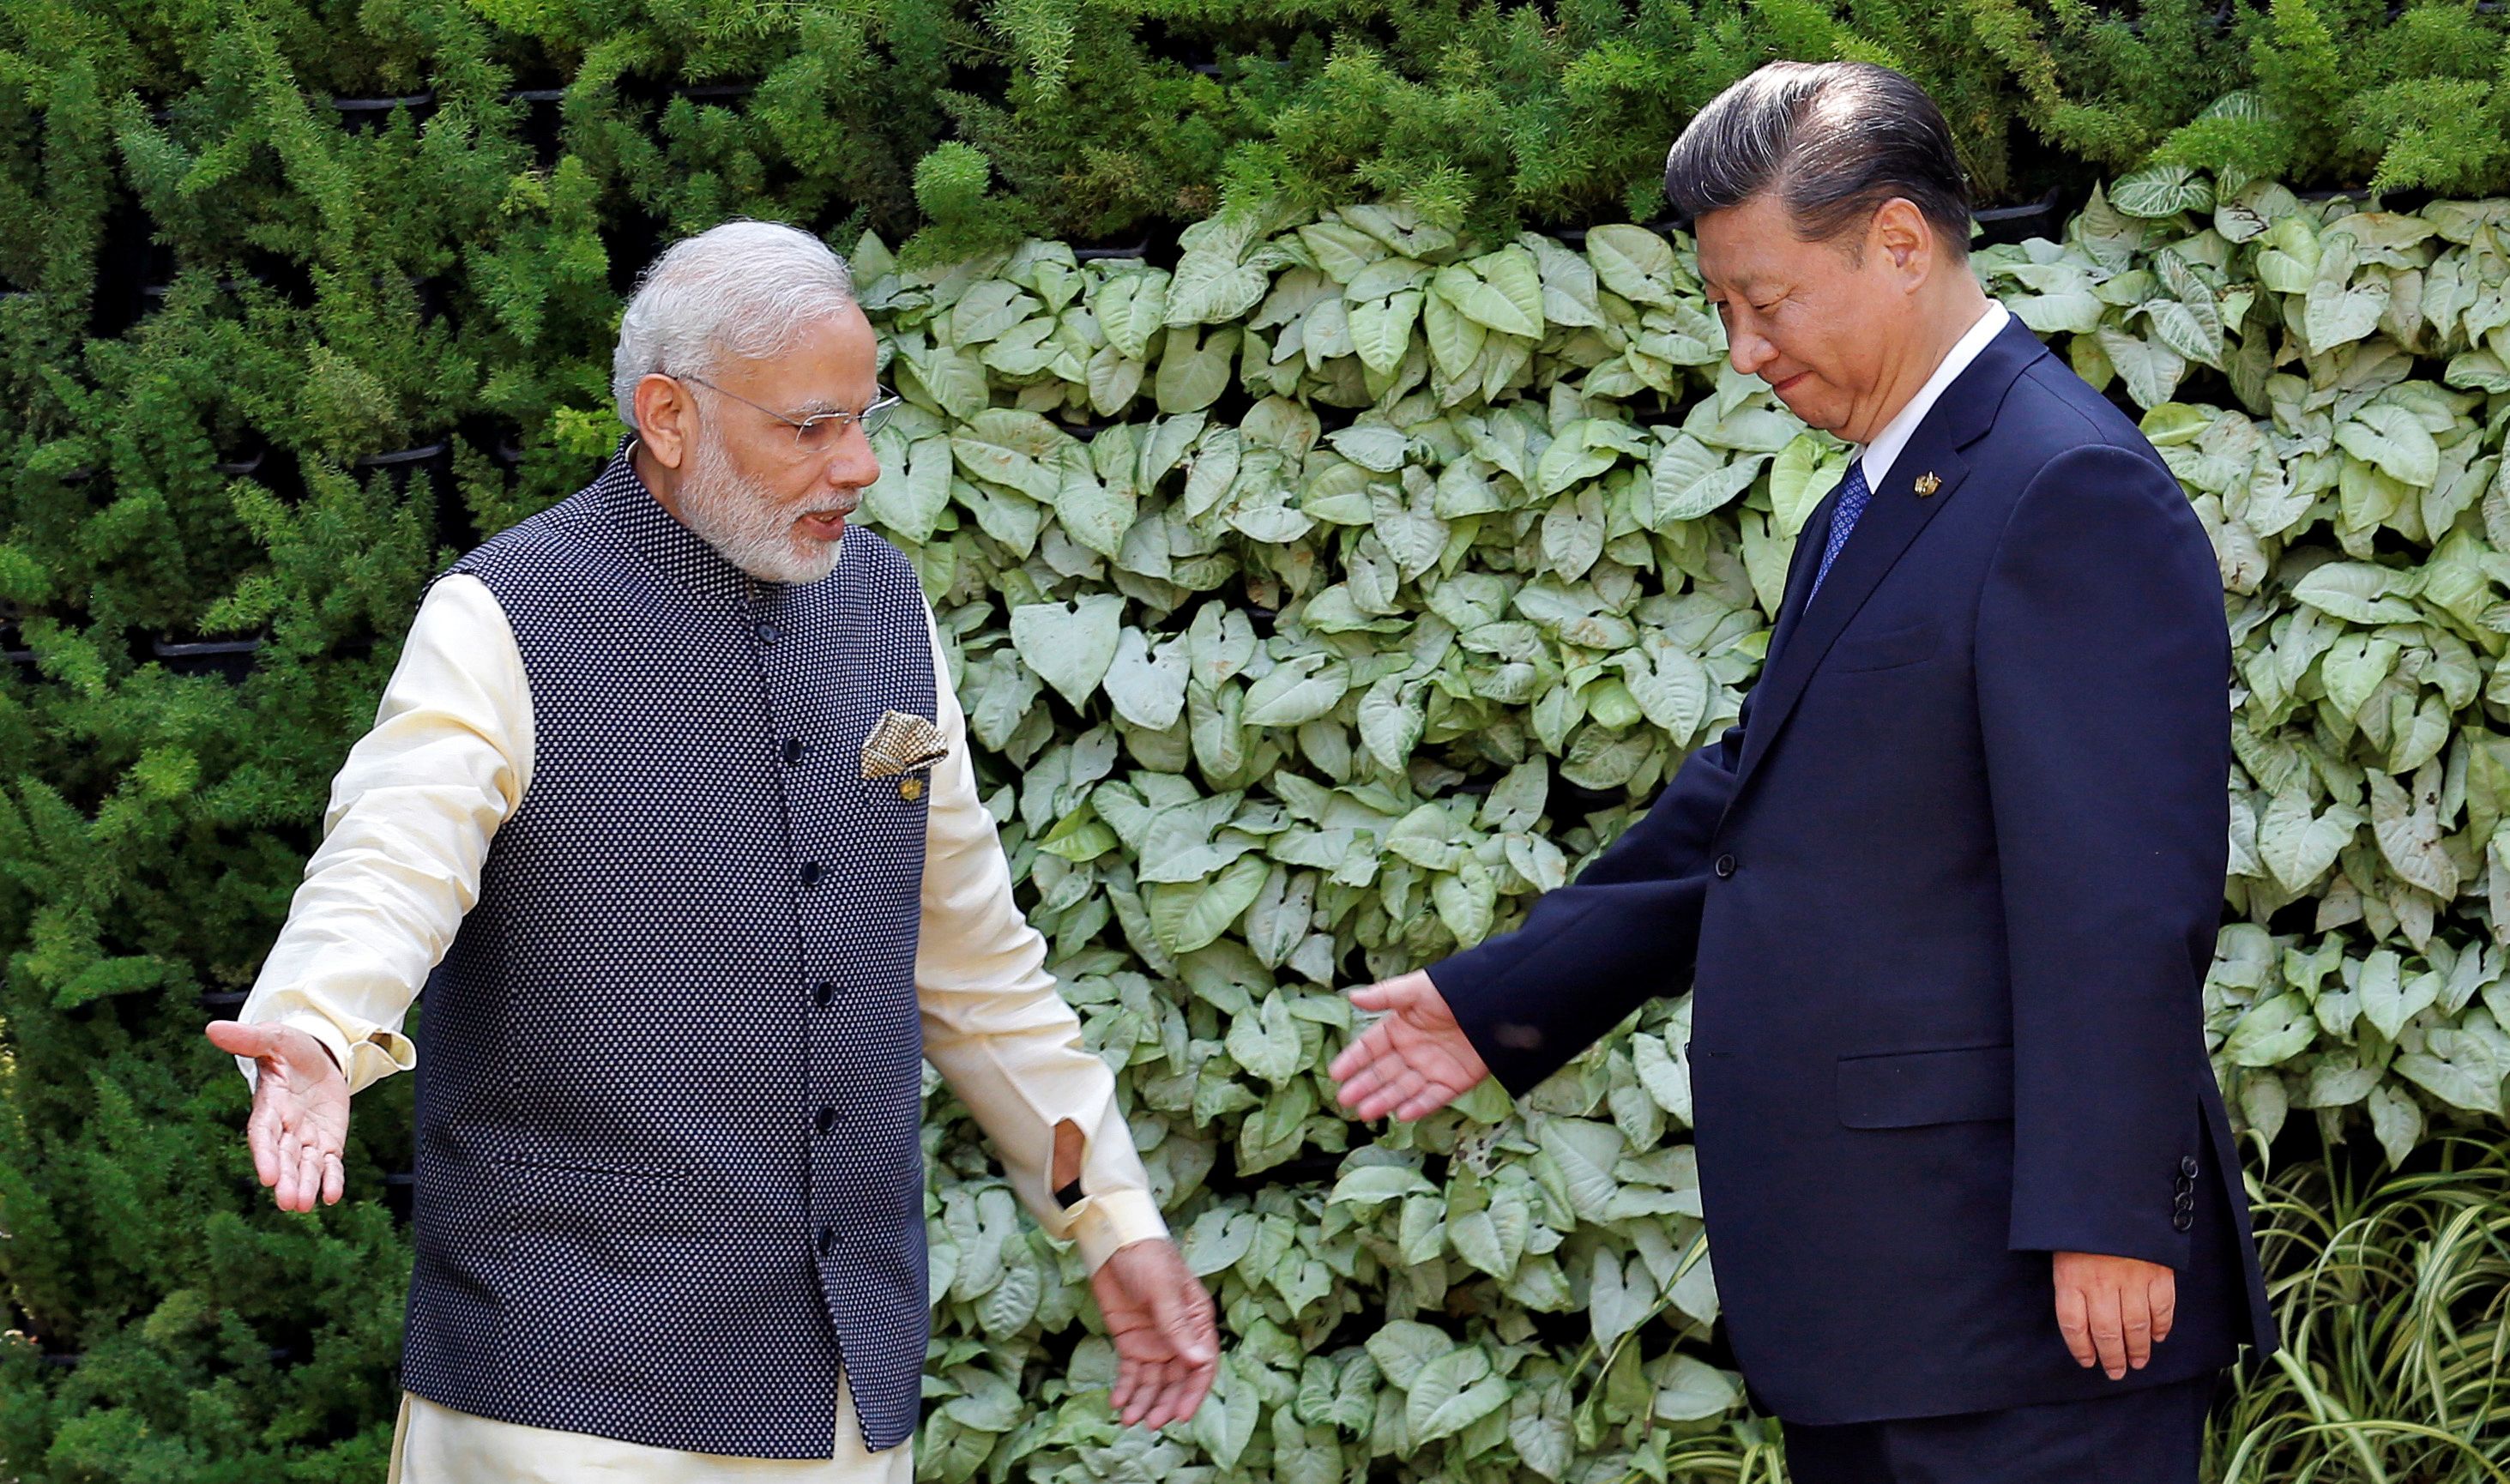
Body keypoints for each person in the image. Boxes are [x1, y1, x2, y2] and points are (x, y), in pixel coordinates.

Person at [1329, 61, 2274, 1484]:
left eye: (1763, 302)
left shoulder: (2062, 484)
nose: (1743, 349)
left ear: (1898, 245)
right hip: (1888, 1302)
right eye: (1722, 308)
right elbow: (1756, 798)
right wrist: (1507, 996)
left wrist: (2112, 1214)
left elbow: (2121, 894)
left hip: (2031, 1322)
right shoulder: (1895, 480)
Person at [205, 220, 1216, 1483]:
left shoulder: (890, 613)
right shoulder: (501, 614)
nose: (858, 465)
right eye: (809, 427)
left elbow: (979, 975)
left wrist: (1107, 1216)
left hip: (849, 1412)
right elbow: (390, 858)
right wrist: (315, 1026)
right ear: (668, 416)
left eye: (867, 416)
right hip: (560, 1413)